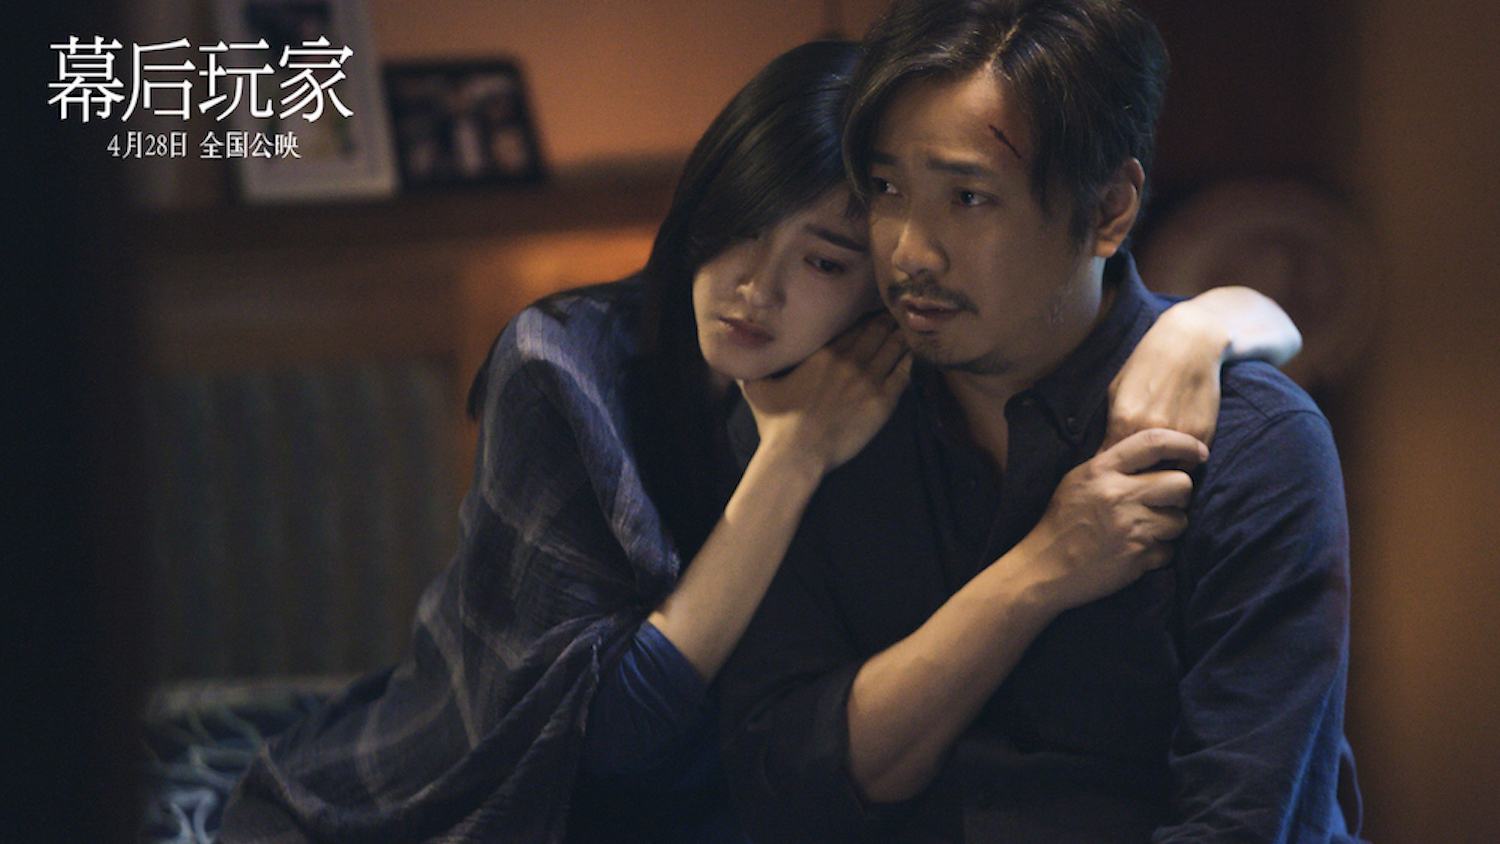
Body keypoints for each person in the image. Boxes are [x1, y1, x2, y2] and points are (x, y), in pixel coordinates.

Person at [216, 39, 1301, 844]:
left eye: (823, 261)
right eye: (735, 227)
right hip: (496, 792)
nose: (752, 288)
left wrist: (1214, 320)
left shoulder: (911, 367)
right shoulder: (565, 373)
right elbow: (609, 739)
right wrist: (791, 458)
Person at [717, 3, 1365, 843]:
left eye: (969, 197)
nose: (910, 251)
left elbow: (1243, 817)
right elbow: (782, 778)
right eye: (886, 190)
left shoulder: (1249, 443)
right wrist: (1038, 573)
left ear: (1109, 210)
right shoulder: (829, 421)